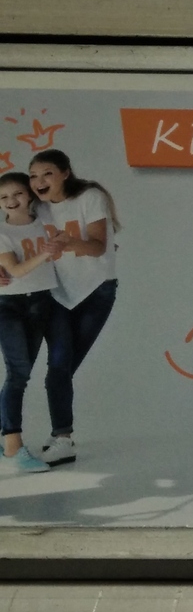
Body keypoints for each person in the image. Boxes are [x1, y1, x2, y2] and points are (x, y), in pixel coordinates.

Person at [29, 149, 120, 465]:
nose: (40, 181)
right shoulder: (37, 208)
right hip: (56, 294)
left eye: (47, 173)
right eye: (34, 176)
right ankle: (63, 437)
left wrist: (69, 242)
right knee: (58, 366)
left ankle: (60, 436)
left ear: (65, 173)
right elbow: (14, 237)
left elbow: (97, 246)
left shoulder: (90, 197)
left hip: (96, 291)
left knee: (62, 369)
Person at [0, 171, 61, 474]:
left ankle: (7, 441)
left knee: (22, 374)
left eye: (18, 193)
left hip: (41, 302)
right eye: (3, 197)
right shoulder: (1, 231)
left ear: (30, 194)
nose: (11, 201)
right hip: (9, 305)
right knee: (18, 373)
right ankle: (13, 445)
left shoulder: (45, 221)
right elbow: (16, 271)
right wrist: (47, 253)